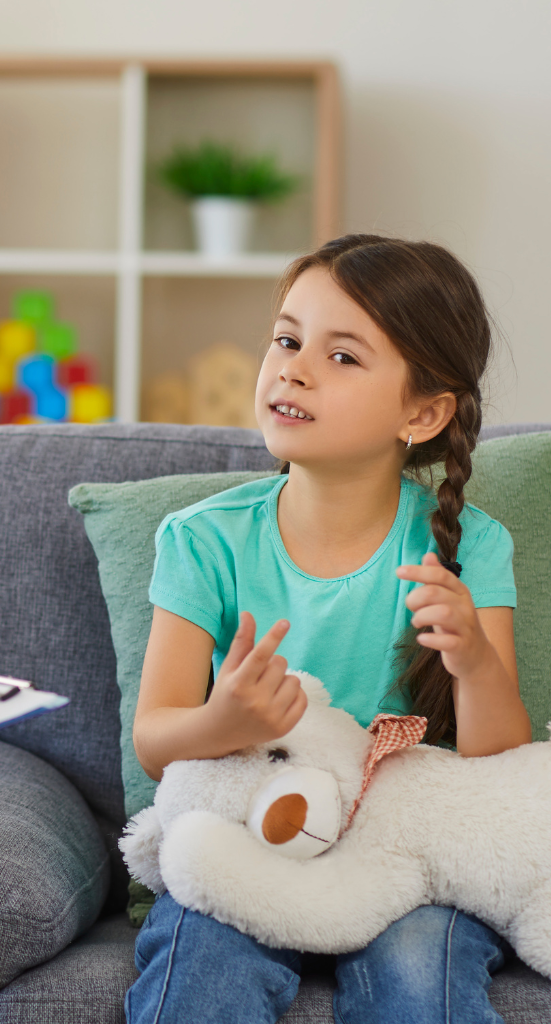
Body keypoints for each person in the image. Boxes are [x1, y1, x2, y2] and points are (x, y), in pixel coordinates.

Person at [126, 235, 532, 1024]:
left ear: (423, 413)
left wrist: (475, 663)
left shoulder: (471, 547)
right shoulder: (202, 541)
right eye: (286, 339)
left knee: (424, 967)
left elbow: (499, 769)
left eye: (342, 357)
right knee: (199, 962)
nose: (294, 368)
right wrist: (225, 722)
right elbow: (154, 738)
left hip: (407, 861)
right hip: (247, 839)